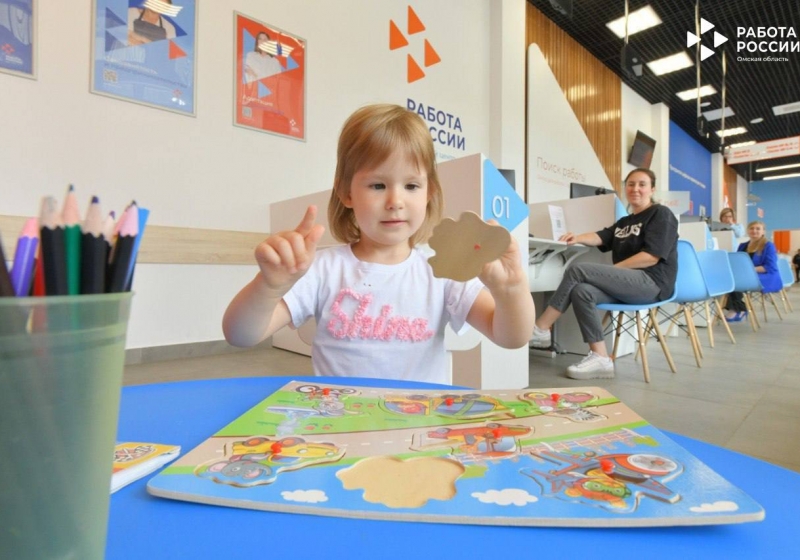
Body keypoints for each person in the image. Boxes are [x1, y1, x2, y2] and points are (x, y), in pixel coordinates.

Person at [222, 104, 534, 384]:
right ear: (347, 193)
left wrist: (511, 290)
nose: (395, 201)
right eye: (377, 185)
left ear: (429, 193)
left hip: (420, 424)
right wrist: (268, 286)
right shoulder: (323, 269)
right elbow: (240, 335)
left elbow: (510, 337)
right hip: (341, 423)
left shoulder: (442, 271)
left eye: (411, 185)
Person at [530, 168, 678, 380]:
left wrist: (614, 270)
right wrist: (577, 237)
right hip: (629, 284)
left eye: (642, 184)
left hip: (652, 283)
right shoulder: (625, 222)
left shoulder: (661, 214)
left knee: (579, 270)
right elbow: (602, 236)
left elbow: (651, 257)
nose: (635, 189)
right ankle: (601, 357)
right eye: (631, 184)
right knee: (582, 291)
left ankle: (541, 328)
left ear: (652, 189)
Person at [724, 220, 782, 322]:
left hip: (765, 275)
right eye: (751, 228)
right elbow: (738, 262)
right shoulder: (742, 245)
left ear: (763, 231)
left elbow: (769, 267)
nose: (754, 231)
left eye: (758, 229)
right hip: (746, 275)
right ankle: (739, 308)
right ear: (748, 231)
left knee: (738, 281)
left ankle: (738, 309)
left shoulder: (768, 246)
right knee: (730, 279)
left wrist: (749, 270)